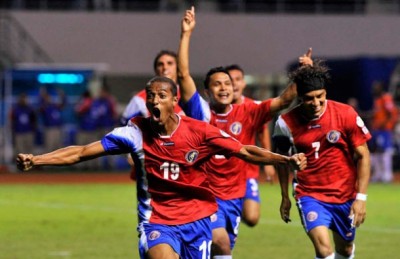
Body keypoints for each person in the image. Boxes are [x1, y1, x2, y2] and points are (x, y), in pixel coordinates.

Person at [16, 76, 307, 259]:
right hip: (157, 222)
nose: (154, 100)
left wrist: (285, 161)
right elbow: (80, 152)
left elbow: (244, 150)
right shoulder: (134, 132)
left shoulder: (199, 132)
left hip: (197, 221)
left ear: (174, 101)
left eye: (161, 96)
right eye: (150, 95)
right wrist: (38, 160)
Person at [177, 7, 312, 258]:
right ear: (207, 92)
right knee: (220, 244)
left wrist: (302, 75)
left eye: (227, 83)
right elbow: (183, 74)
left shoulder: (248, 111)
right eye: (216, 84)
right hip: (205, 195)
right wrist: (186, 35)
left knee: (220, 250)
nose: (223, 88)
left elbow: (284, 100)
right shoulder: (200, 112)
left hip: (235, 196)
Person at [273, 60, 371, 259]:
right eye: (309, 98)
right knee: (324, 250)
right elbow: (282, 161)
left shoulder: (345, 114)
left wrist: (361, 198)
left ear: (326, 92)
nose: (316, 103)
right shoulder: (285, 123)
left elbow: (363, 155)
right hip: (310, 195)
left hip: (345, 194)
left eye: (320, 96)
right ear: (299, 97)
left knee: (345, 249)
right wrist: (284, 195)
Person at [225, 63, 275, 227]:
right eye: (230, 80)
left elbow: (262, 132)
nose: (234, 84)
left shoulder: (252, 107)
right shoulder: (217, 108)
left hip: (247, 171)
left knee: (252, 218)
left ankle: (233, 211)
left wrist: (268, 161)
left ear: (243, 83)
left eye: (238, 79)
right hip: (222, 173)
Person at [120, 49, 184, 126]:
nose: (165, 67)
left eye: (170, 63)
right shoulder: (140, 100)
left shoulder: (188, 97)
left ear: (178, 68)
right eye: (160, 64)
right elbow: (125, 127)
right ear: (155, 70)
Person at [369, 81, 398, 183]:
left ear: (381, 88)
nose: (374, 89)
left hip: (385, 129)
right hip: (377, 129)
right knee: (376, 151)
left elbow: (391, 113)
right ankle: (378, 174)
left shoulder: (386, 98)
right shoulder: (377, 100)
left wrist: (386, 124)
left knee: (386, 151)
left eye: (376, 87)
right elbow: (376, 114)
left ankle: (387, 175)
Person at [39, 88, 66, 153]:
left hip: (57, 128)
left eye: (49, 97)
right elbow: (40, 107)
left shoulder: (55, 106)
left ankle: (58, 162)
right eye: (47, 97)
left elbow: (63, 104)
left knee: (58, 147)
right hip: (49, 129)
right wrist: (42, 96)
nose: (49, 98)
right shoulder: (45, 107)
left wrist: (62, 95)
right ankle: (47, 162)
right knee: (49, 147)